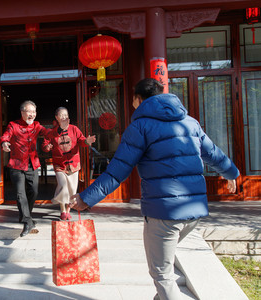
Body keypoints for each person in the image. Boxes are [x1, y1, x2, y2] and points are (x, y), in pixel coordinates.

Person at [70, 78, 239, 300]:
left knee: (162, 274)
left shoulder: (140, 127)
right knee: (163, 266)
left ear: (139, 99)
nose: (132, 104)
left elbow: (116, 171)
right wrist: (232, 174)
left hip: (164, 214)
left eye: (132, 100)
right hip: (195, 211)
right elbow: (214, 154)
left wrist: (85, 198)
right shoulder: (190, 123)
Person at [0, 100, 51, 237]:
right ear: (22, 112)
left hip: (32, 164)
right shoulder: (13, 125)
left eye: (34, 112)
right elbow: (6, 136)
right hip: (16, 164)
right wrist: (5, 143)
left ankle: (26, 217)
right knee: (20, 193)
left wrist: (60, 132)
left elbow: (47, 132)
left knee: (34, 191)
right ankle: (27, 221)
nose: (32, 115)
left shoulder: (37, 125)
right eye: (29, 112)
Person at [42, 107, 96, 220]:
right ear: (57, 118)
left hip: (74, 164)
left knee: (72, 189)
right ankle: (62, 210)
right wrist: (47, 147)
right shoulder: (52, 132)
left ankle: (68, 210)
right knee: (63, 185)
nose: (64, 117)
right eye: (61, 115)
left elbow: (82, 141)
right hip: (59, 165)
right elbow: (45, 145)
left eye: (65, 115)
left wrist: (87, 141)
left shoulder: (74, 129)